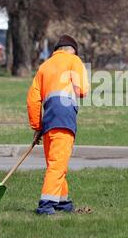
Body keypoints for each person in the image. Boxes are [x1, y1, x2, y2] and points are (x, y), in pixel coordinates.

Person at [27, 35, 89, 215]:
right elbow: (82, 91)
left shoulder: (44, 67)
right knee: (57, 164)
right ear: (73, 50)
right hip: (64, 119)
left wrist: (37, 126)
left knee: (55, 162)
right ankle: (45, 206)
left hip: (48, 121)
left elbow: (33, 100)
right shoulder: (73, 60)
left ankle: (63, 203)